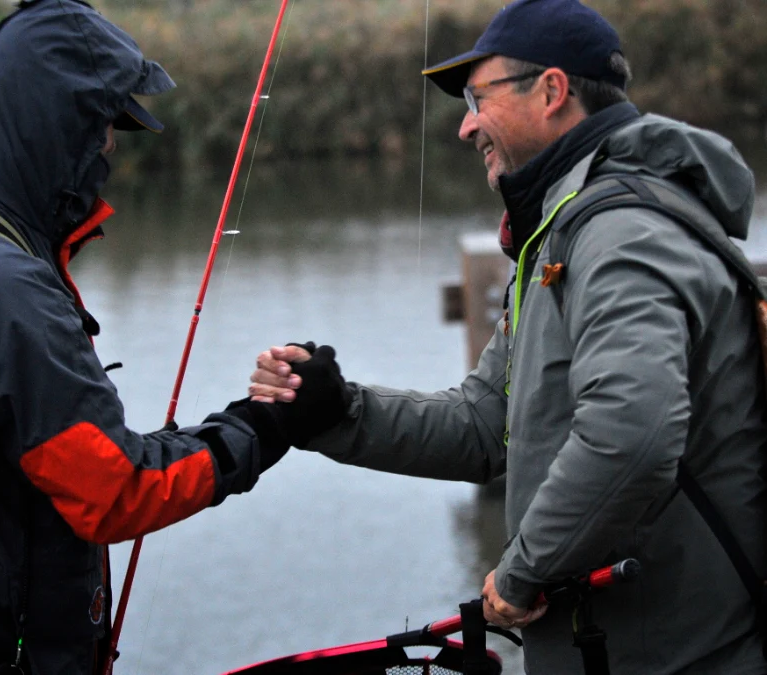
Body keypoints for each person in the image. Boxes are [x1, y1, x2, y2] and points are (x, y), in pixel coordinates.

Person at [249, 0, 767, 673]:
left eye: (477, 98)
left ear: (552, 91)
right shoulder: (564, 236)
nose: (466, 126)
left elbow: (633, 434)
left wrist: (521, 572)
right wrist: (337, 411)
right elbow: (487, 422)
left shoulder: (620, 233)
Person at [0, 1, 317, 673]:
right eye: (102, 125)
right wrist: (261, 427)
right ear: (53, 120)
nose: (109, 147)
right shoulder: (0, 290)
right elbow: (115, 487)